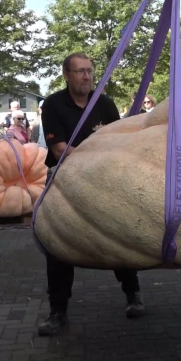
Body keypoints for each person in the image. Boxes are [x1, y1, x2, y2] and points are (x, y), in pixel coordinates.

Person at [38, 52, 145, 337]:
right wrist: (97, 159)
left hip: (102, 181)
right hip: (65, 182)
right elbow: (60, 150)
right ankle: (57, 313)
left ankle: (133, 295)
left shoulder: (104, 104)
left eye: (89, 71)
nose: (86, 76)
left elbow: (118, 141)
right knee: (58, 246)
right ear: (66, 75)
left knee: (116, 237)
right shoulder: (53, 105)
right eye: (80, 72)